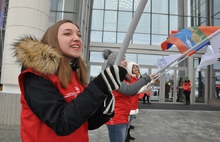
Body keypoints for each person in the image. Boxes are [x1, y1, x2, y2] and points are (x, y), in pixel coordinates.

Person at [13, 19, 128, 142]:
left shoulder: (75, 74)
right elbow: (61, 123)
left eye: (79, 35)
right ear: (52, 40)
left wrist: (103, 113)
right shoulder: (35, 75)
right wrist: (99, 87)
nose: (77, 38)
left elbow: (82, 122)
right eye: (67, 34)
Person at [103, 50, 156, 142]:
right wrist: (146, 79)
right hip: (116, 117)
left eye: (125, 59)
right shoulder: (113, 76)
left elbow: (131, 92)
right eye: (123, 59)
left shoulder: (120, 76)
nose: (125, 62)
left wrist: (146, 86)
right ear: (115, 62)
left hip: (122, 115)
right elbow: (128, 90)